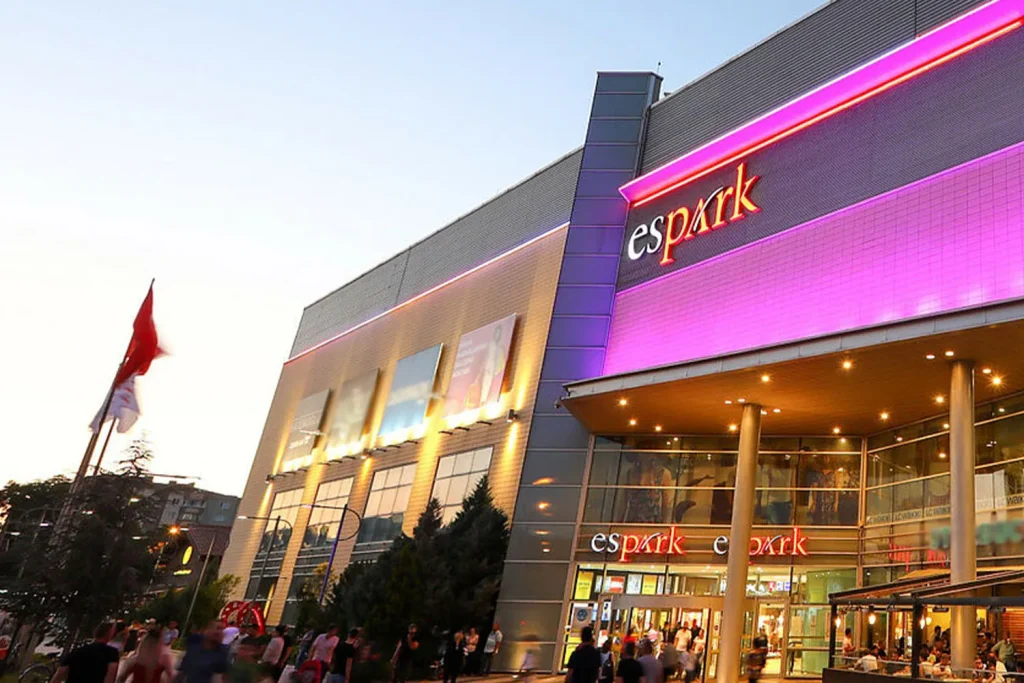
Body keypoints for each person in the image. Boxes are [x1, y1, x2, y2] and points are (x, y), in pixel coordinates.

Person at [49, 622, 119, 683]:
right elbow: (110, 677)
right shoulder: (111, 653)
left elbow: (59, 675)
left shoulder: (77, 651)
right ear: (109, 634)